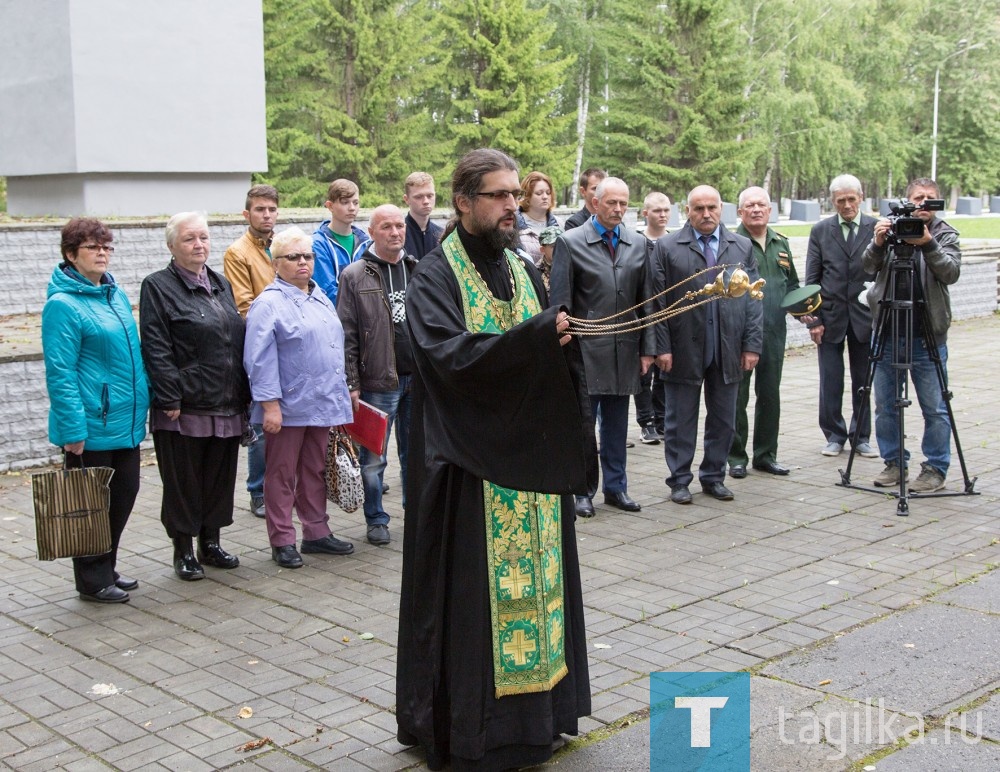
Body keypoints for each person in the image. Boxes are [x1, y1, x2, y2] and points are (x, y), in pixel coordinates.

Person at [396, 148, 592, 771]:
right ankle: (476, 731)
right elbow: (447, 357)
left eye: (516, 194)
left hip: (527, 463)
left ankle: (539, 721)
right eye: (499, 196)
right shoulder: (434, 274)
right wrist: (537, 337)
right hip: (467, 470)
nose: (513, 205)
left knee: (542, 588)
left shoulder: (521, 266)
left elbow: (540, 348)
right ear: (463, 202)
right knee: (475, 604)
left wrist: (561, 339)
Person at [42, 218, 150, 604]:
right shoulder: (62, 305)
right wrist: (72, 428)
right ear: (71, 255)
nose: (102, 253)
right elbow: (60, 371)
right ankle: (91, 580)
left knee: (124, 494)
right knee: (89, 504)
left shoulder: (114, 294)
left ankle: (107, 566)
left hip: (126, 420)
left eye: (106, 246)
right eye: (93, 247)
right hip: (90, 424)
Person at [140, 212, 248, 581]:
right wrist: (169, 397)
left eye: (203, 237)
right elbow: (156, 345)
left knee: (218, 477)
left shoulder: (221, 283)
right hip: (184, 406)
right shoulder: (157, 286)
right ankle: (183, 550)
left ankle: (211, 542)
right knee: (183, 481)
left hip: (226, 399)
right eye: (189, 239)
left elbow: (235, 339)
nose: (198, 244)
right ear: (172, 246)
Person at [244, 226, 355, 569]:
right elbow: (258, 358)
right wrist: (270, 405)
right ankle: (282, 539)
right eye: (293, 257)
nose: (303, 262)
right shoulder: (268, 303)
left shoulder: (319, 295)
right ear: (276, 263)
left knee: (314, 469)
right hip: (288, 406)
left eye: (307, 256)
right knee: (281, 474)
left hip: (322, 402)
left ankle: (316, 532)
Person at [652, 185, 763, 505]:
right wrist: (662, 347)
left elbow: (755, 300)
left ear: (721, 209)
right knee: (679, 420)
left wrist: (751, 345)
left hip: (728, 347)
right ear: (687, 211)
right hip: (683, 347)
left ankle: (714, 476)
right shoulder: (669, 247)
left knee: (724, 418)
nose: (706, 214)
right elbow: (658, 302)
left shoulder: (740, 246)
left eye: (712, 207)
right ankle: (679, 480)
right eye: (698, 208)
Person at [551, 177, 654, 516]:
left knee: (617, 425)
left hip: (624, 348)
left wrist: (648, 349)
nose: (619, 209)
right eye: (612, 203)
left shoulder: (637, 244)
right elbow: (561, 304)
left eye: (624, 203)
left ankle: (616, 488)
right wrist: (563, 350)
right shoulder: (571, 242)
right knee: (583, 424)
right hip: (585, 350)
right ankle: (582, 490)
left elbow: (646, 302)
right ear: (595, 203)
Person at [862, 178, 961, 492]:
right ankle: (894, 463)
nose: (924, 203)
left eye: (930, 198)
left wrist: (928, 243)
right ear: (908, 201)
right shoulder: (891, 228)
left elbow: (950, 273)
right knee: (885, 404)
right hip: (888, 331)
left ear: (936, 204)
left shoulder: (944, 233)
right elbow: (867, 267)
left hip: (926, 333)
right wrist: (878, 243)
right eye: (918, 197)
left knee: (934, 406)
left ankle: (934, 469)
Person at [336, 204, 417, 546]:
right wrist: (351, 383)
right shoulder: (355, 275)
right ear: (371, 232)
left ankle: (416, 514)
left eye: (399, 226)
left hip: (418, 378)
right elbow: (347, 333)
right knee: (373, 460)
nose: (395, 232)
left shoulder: (418, 270)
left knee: (417, 454)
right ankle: (376, 519)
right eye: (386, 227)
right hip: (377, 383)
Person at [727, 187, 801, 478]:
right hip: (739, 334)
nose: (756, 209)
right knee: (737, 397)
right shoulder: (731, 243)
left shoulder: (780, 244)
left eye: (761, 205)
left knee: (770, 394)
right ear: (740, 212)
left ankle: (766, 454)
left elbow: (792, 285)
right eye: (750, 205)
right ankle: (735, 457)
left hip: (773, 332)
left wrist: (806, 311)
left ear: (770, 211)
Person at [804, 174, 878, 458]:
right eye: (840, 201)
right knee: (830, 380)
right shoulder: (821, 231)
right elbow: (812, 279)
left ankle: (862, 437)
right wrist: (815, 320)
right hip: (831, 317)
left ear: (861, 197)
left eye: (851, 199)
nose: (846, 205)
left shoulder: (876, 228)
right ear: (832, 202)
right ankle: (834, 435)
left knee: (864, 380)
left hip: (865, 317)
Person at [223, 183, 279, 519]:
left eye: (271, 209)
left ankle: (282, 485)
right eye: (260, 209)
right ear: (247, 214)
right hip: (260, 347)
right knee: (260, 423)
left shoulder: (283, 245)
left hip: (288, 348)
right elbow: (243, 305)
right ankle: (257, 491)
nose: (267, 215)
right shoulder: (238, 252)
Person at [634, 191, 672, 445]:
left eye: (666, 210)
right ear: (646, 213)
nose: (662, 215)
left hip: (669, 314)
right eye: (657, 210)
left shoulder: (674, 242)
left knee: (665, 372)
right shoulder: (637, 243)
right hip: (644, 314)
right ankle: (646, 422)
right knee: (643, 373)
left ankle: (662, 419)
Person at [312, 179, 371, 306]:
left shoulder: (366, 242)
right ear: (330, 206)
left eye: (355, 203)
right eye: (345, 203)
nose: (352, 208)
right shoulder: (318, 244)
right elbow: (327, 291)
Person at [516, 170, 560, 263]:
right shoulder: (513, 223)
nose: (545, 197)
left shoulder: (559, 224)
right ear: (527, 196)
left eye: (548, 193)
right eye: (539, 193)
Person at [403, 171, 442, 259]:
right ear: (406, 199)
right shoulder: (398, 236)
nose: (426, 201)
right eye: (418, 197)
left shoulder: (441, 235)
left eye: (430, 196)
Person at [535, 225, 563, 292]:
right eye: (553, 246)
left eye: (561, 244)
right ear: (542, 249)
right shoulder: (536, 272)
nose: (558, 249)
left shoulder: (573, 266)